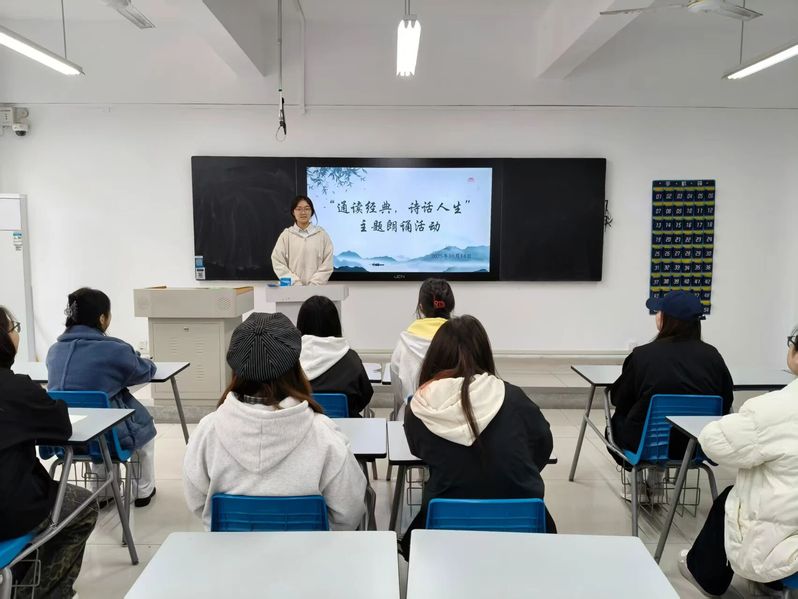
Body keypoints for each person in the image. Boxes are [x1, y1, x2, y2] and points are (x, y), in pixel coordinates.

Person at [183, 312, 366, 530]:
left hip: (230, 551)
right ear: (296, 367)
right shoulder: (326, 437)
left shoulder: (206, 432)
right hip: (310, 551)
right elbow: (350, 511)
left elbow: (197, 503)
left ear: (236, 368)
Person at [400, 315, 554, 556]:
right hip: (521, 529)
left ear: (435, 357)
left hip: (445, 533)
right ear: (484, 354)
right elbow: (543, 445)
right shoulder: (514, 398)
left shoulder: (420, 407)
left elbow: (418, 449)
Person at [679, 325, 798, 597]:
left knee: (733, 499)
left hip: (786, 545)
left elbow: (715, 443)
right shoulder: (712, 356)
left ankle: (708, 577)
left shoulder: (772, 409)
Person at [0, 306, 98, 598]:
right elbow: (61, 426)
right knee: (84, 506)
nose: (17, 333)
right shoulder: (16, 389)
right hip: (7, 511)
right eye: (14, 328)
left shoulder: (56, 350)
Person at [46, 288, 158, 507]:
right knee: (142, 432)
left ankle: (102, 493)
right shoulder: (114, 349)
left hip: (63, 434)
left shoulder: (54, 350)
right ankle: (143, 490)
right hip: (107, 435)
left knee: (97, 425)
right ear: (102, 318)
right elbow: (144, 371)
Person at [609, 290, 734, 461]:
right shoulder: (713, 356)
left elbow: (619, 399)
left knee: (617, 421)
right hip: (698, 445)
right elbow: (726, 401)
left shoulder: (642, 355)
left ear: (665, 319)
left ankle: (641, 473)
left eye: (659, 312)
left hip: (646, 444)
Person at [297, 295, 373, 417]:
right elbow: (365, 396)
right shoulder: (350, 358)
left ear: (301, 323)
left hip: (300, 424)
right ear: (335, 323)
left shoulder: (289, 360)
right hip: (345, 426)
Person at [390, 278, 455, 409]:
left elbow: (398, 392)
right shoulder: (462, 341)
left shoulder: (405, 341)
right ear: (451, 306)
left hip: (414, 414)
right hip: (455, 416)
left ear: (421, 307)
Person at [271, 195, 334, 286]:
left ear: (312, 212)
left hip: (316, 290)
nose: (303, 212)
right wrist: (295, 282)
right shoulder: (286, 235)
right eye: (299, 209)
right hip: (292, 289)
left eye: (307, 209)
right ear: (293, 212)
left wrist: (314, 284)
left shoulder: (322, 235)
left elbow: (327, 264)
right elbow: (277, 261)